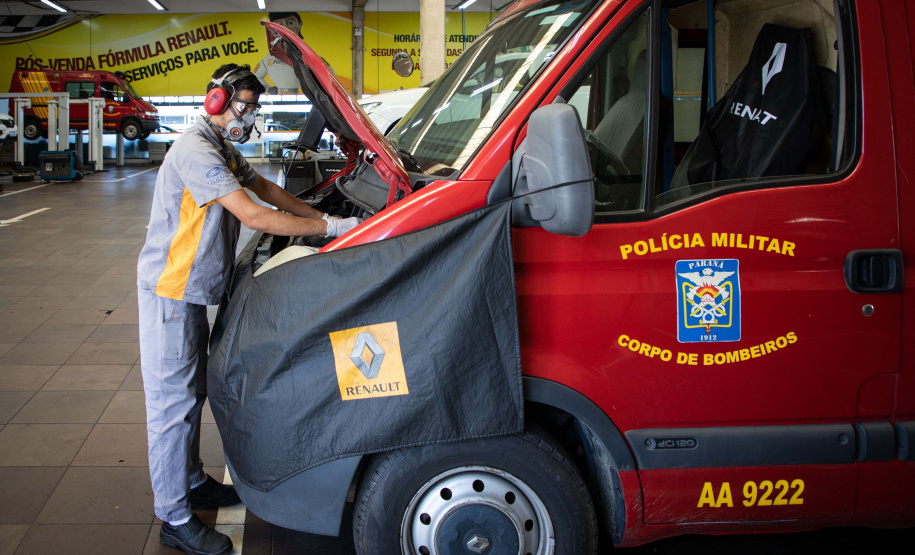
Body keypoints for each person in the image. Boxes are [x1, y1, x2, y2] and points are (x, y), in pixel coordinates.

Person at [137, 63, 360, 555]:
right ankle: (173, 517)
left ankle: (191, 481)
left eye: (253, 108)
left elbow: (267, 190)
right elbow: (254, 214)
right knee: (173, 404)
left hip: (193, 289)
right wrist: (328, 231)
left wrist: (328, 216)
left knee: (189, 393)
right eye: (244, 105)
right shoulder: (196, 150)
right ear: (216, 100)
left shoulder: (220, 146)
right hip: (171, 292)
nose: (248, 114)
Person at [254, 12, 304, 94]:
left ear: (300, 23)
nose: (285, 28)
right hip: (277, 98)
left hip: (302, 98)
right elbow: (255, 77)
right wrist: (268, 89)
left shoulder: (306, 56)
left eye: (290, 22)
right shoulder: (270, 57)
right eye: (279, 25)